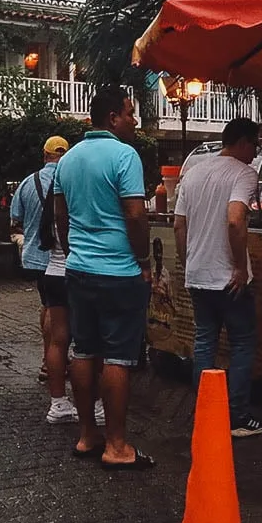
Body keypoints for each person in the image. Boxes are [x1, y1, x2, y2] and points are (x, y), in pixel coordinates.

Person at [53, 85, 154, 470]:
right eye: (130, 113)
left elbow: (60, 216)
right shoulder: (125, 155)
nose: (134, 120)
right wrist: (143, 258)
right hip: (119, 272)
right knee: (118, 357)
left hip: (79, 270)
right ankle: (116, 444)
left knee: (83, 350)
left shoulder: (68, 159)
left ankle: (86, 435)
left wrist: (71, 250)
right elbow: (134, 214)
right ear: (112, 117)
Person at [174, 117, 262, 437]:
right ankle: (237, 417)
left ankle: (207, 411)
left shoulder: (193, 173)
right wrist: (241, 267)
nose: (255, 152)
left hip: (198, 274)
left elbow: (179, 225)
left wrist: (188, 260)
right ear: (243, 142)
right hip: (227, 278)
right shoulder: (244, 173)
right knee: (243, 342)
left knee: (205, 340)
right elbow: (234, 221)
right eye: (255, 145)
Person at [10, 136, 86, 425]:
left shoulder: (28, 182)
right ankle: (88, 403)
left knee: (55, 328)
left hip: (42, 261)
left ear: (44, 155)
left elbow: (15, 217)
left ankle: (53, 386)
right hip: (75, 265)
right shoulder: (74, 182)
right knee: (83, 339)